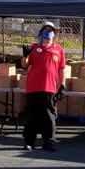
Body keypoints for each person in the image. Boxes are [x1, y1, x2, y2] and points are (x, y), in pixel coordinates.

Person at [20, 21, 65, 151]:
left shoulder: (59, 49)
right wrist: (25, 55)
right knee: (32, 116)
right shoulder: (34, 47)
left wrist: (62, 85)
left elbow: (62, 69)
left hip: (49, 88)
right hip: (33, 87)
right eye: (45, 30)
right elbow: (25, 65)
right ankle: (30, 142)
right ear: (41, 33)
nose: (48, 33)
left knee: (49, 116)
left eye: (51, 30)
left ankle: (48, 142)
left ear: (54, 33)